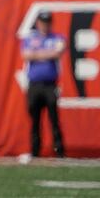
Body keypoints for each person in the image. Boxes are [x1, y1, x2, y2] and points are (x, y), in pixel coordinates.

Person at [20, 11, 65, 158]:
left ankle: (59, 150)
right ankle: (35, 150)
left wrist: (37, 54)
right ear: (38, 23)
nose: (45, 25)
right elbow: (26, 55)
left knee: (54, 118)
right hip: (34, 84)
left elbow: (58, 52)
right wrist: (47, 53)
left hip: (50, 84)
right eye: (43, 22)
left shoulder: (57, 37)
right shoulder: (30, 38)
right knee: (35, 119)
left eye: (48, 22)